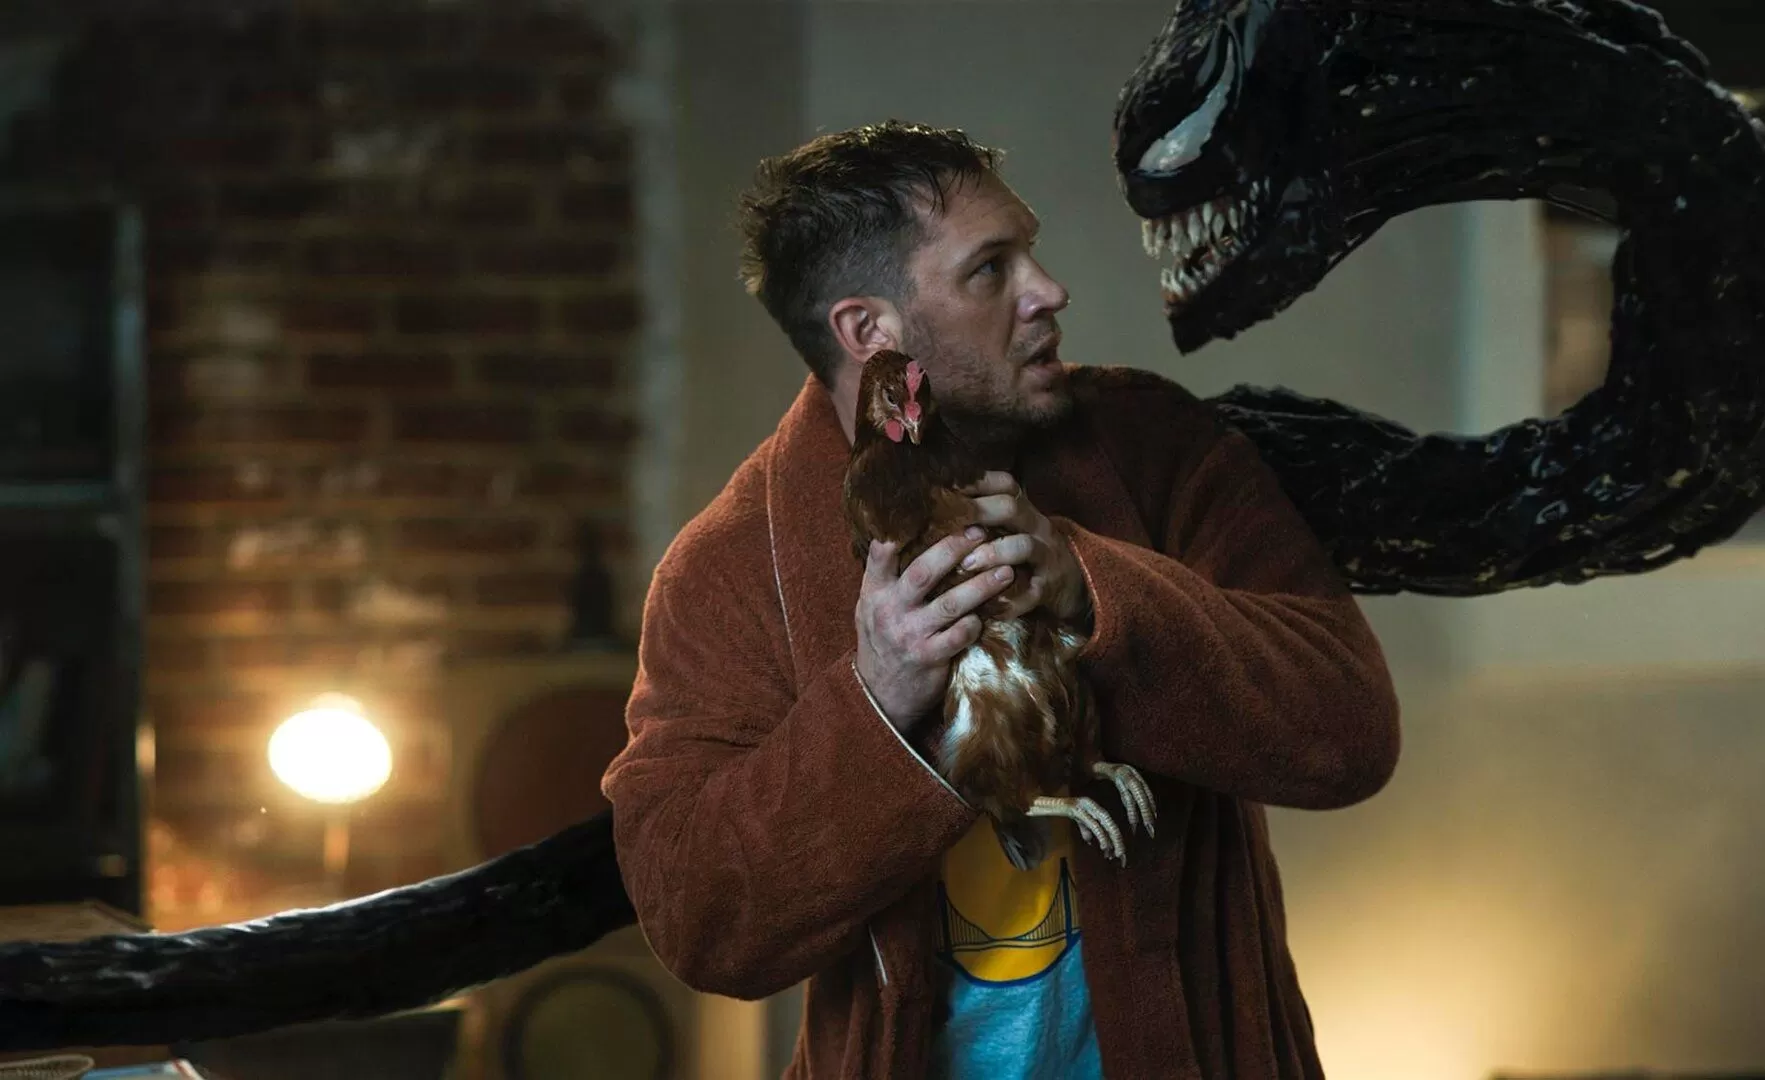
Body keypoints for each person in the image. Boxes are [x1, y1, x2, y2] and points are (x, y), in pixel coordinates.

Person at [600, 120, 1402, 1079]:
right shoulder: (727, 567)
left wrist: (1090, 589)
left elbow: (1347, 735)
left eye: (1030, 250)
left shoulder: (1157, 446)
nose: (1048, 290)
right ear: (868, 330)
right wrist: (877, 700)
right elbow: (700, 923)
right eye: (990, 269)